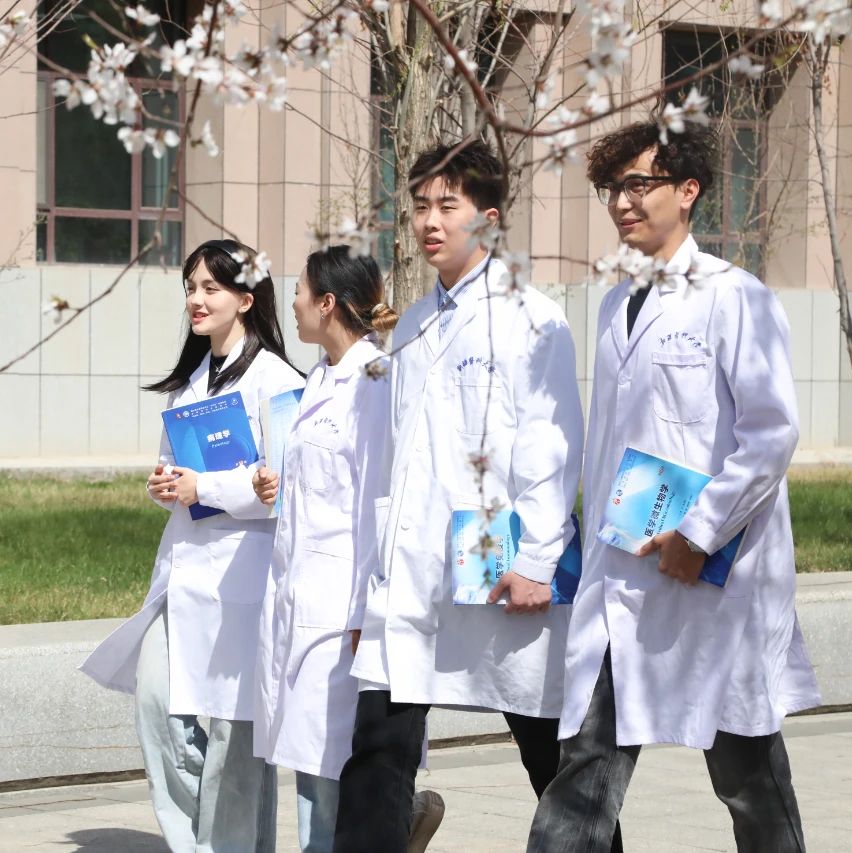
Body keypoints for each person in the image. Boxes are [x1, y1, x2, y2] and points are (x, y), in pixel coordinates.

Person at [527, 120, 821, 853]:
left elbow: (771, 432)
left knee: (747, 778)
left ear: (688, 190)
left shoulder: (735, 296)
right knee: (584, 768)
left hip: (712, 578)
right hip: (622, 577)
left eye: (639, 184)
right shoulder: (614, 305)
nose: (622, 202)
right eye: (612, 188)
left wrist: (699, 532)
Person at [336, 141, 592, 852]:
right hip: (413, 573)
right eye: (420, 206)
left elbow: (551, 444)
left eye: (448, 206)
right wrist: (371, 590)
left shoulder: (531, 318)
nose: (430, 221)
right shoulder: (413, 325)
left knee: (549, 754)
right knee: (377, 748)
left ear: (489, 218)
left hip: (501, 565)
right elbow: (396, 465)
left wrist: (538, 559)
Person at [79, 239, 304, 853]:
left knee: (235, 737)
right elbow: (172, 469)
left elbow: (288, 488)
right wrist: (164, 485)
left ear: (246, 300)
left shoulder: (280, 382)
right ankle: (201, 840)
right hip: (183, 576)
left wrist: (203, 486)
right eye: (190, 287)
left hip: (245, 577)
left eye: (210, 288)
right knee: (157, 707)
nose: (195, 300)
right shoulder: (190, 382)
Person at [250, 247, 397, 853]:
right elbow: (321, 481)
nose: (293, 302)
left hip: (342, 606)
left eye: (300, 291)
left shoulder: (376, 381)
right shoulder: (317, 378)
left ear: (328, 303)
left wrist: (367, 611)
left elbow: (379, 502)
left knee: (327, 767)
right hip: (299, 591)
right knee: (310, 761)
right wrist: (278, 486)